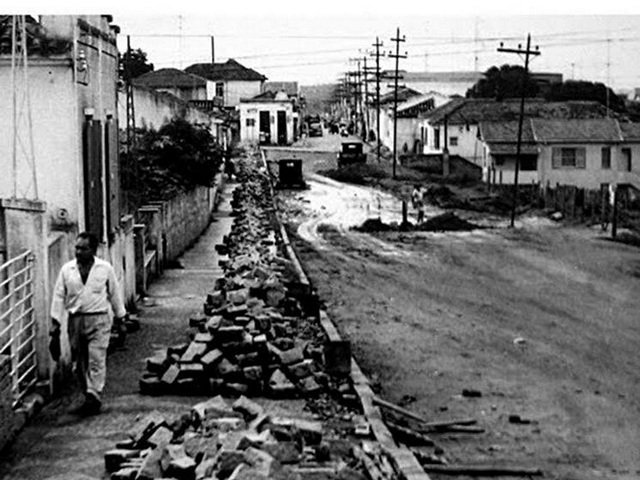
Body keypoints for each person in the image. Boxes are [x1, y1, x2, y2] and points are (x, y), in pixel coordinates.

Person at [50, 232, 127, 415]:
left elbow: (114, 294)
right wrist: (55, 326)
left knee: (97, 358)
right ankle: (88, 394)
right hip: (75, 320)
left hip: (99, 319)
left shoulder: (104, 268)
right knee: (80, 361)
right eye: (77, 248)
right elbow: (58, 297)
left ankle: (94, 394)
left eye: (83, 248)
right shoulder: (67, 270)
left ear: (93, 250)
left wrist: (121, 318)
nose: (78, 252)